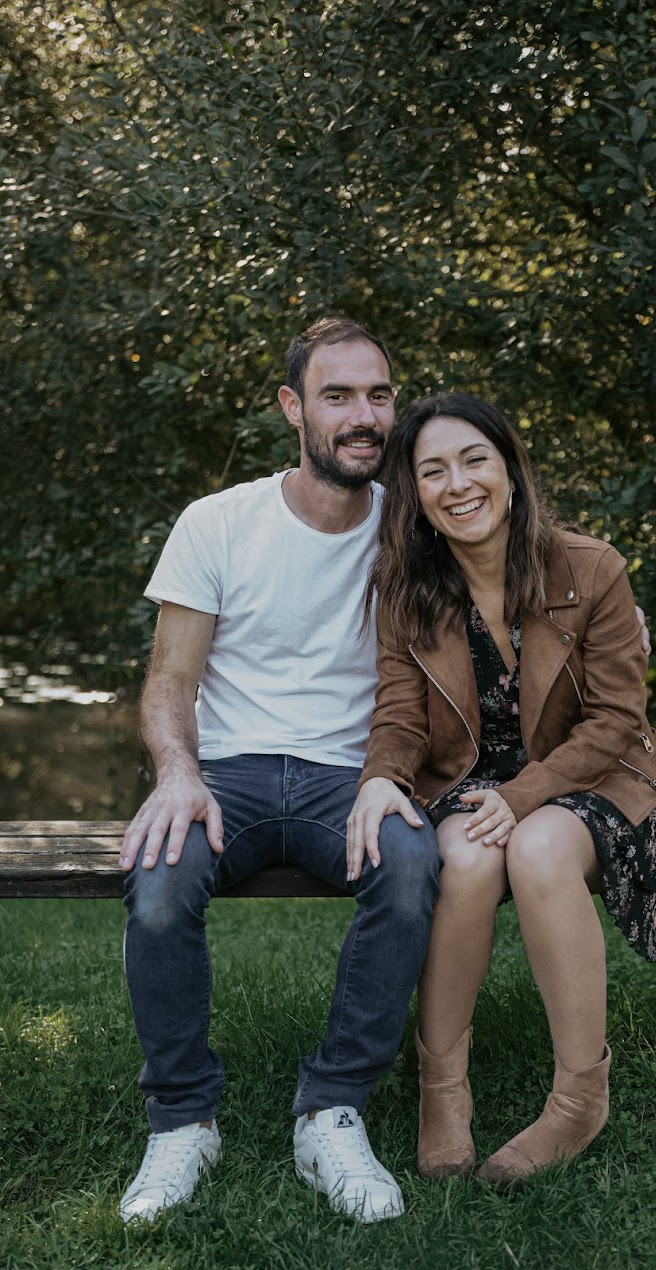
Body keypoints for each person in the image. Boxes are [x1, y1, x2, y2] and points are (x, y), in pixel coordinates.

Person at [117, 317, 442, 1225]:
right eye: (337, 395)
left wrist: (616, 609)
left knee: (413, 869)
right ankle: (183, 1119)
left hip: (353, 776)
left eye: (378, 395)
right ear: (293, 407)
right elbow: (168, 679)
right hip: (229, 773)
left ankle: (330, 1109)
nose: (363, 415)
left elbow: (522, 544)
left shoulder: (412, 523)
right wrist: (178, 774)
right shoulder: (218, 522)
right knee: (158, 881)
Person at [347, 392, 656, 1185]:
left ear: (509, 470)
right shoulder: (406, 589)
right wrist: (378, 781)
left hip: (596, 776)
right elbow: (399, 716)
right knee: (461, 859)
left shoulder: (590, 566)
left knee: (534, 849)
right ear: (416, 498)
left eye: (473, 461)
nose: (456, 484)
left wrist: (525, 795)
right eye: (432, 471)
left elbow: (612, 720)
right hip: (474, 784)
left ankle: (578, 1097)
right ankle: (442, 1091)